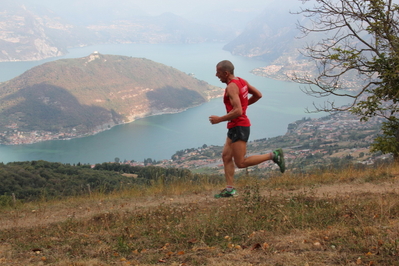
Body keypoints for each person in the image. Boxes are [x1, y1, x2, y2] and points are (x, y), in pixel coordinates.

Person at [209, 60, 285, 198]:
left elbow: (237, 111)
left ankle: (273, 155)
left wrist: (219, 119)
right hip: (234, 126)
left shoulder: (231, 87)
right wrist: (244, 106)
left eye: (218, 72)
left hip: (240, 126)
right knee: (226, 157)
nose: (216, 75)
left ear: (226, 73)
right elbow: (258, 95)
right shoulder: (241, 81)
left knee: (241, 162)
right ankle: (230, 189)